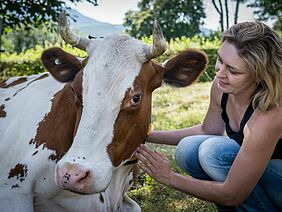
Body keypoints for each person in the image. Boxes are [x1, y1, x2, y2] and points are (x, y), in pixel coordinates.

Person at [135, 21, 282, 211]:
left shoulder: (270, 113)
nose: (219, 72)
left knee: (214, 152)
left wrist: (169, 177)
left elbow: (232, 194)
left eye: (233, 70)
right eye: (220, 60)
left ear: (260, 74)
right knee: (188, 150)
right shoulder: (221, 87)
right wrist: (146, 134)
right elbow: (208, 130)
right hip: (263, 173)